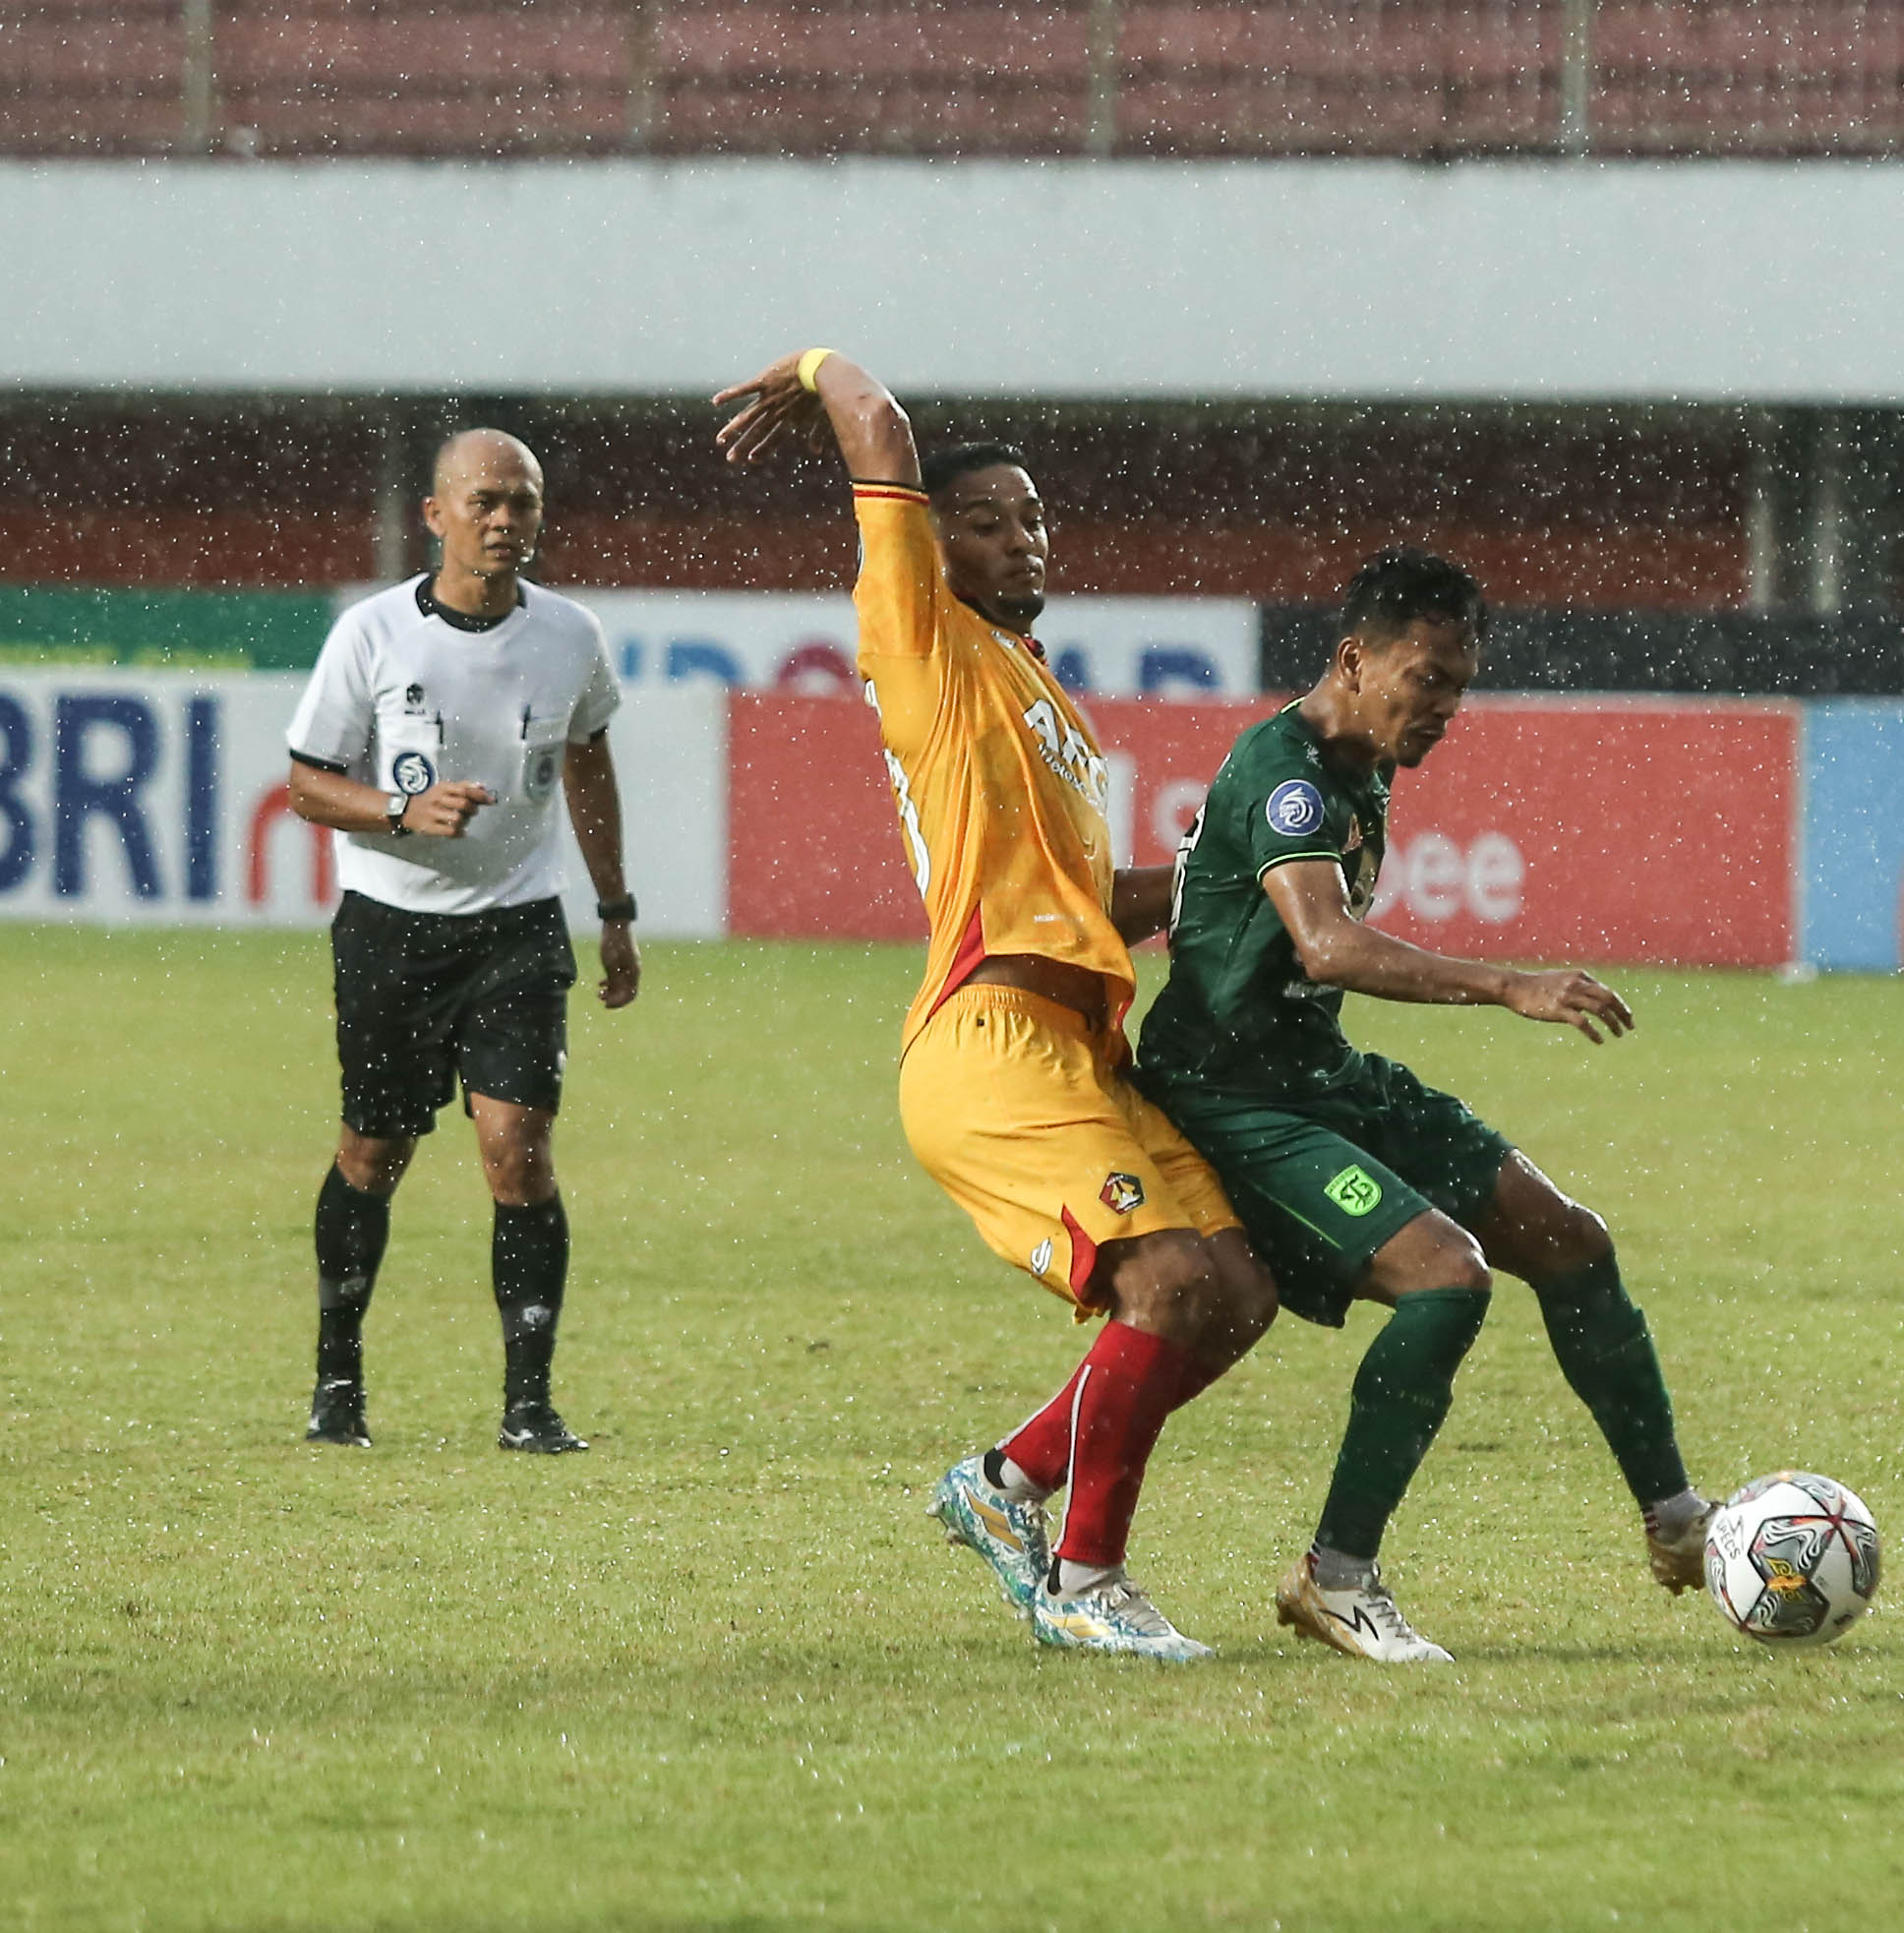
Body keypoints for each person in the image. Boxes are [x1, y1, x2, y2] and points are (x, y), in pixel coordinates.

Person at [713, 348, 1274, 1661]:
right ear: (932, 547)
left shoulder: (1042, 700)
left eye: (1032, 516)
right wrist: (820, 372)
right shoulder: (923, 640)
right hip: (990, 1043)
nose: (1020, 537)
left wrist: (1243, 876)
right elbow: (877, 424)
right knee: (1165, 1281)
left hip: (1082, 1049)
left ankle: (1005, 1482)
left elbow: (1098, 902)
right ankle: (1084, 1581)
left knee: (1236, 1290)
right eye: (983, 520)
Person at [1135, 547, 1712, 1664]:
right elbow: (1325, 942)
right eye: (1427, 678)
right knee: (1447, 1280)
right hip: (1233, 1100)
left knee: (1570, 1241)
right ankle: (1336, 1576)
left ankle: (1677, 1520)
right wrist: (1508, 985)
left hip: (1320, 1075)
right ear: (1354, 659)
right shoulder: (1287, 773)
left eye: (1459, 685)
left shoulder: (1359, 762)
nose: (1445, 707)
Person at [284, 428, 638, 1455]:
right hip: (390, 928)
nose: (504, 519)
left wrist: (614, 909)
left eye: (522, 501)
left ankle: (529, 1406)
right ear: (435, 514)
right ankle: (337, 1383)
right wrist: (402, 812)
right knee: (373, 1151)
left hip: (518, 927)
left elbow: (588, 761)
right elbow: (307, 783)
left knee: (517, 1152)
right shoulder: (372, 633)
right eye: (484, 500)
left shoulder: (570, 634)